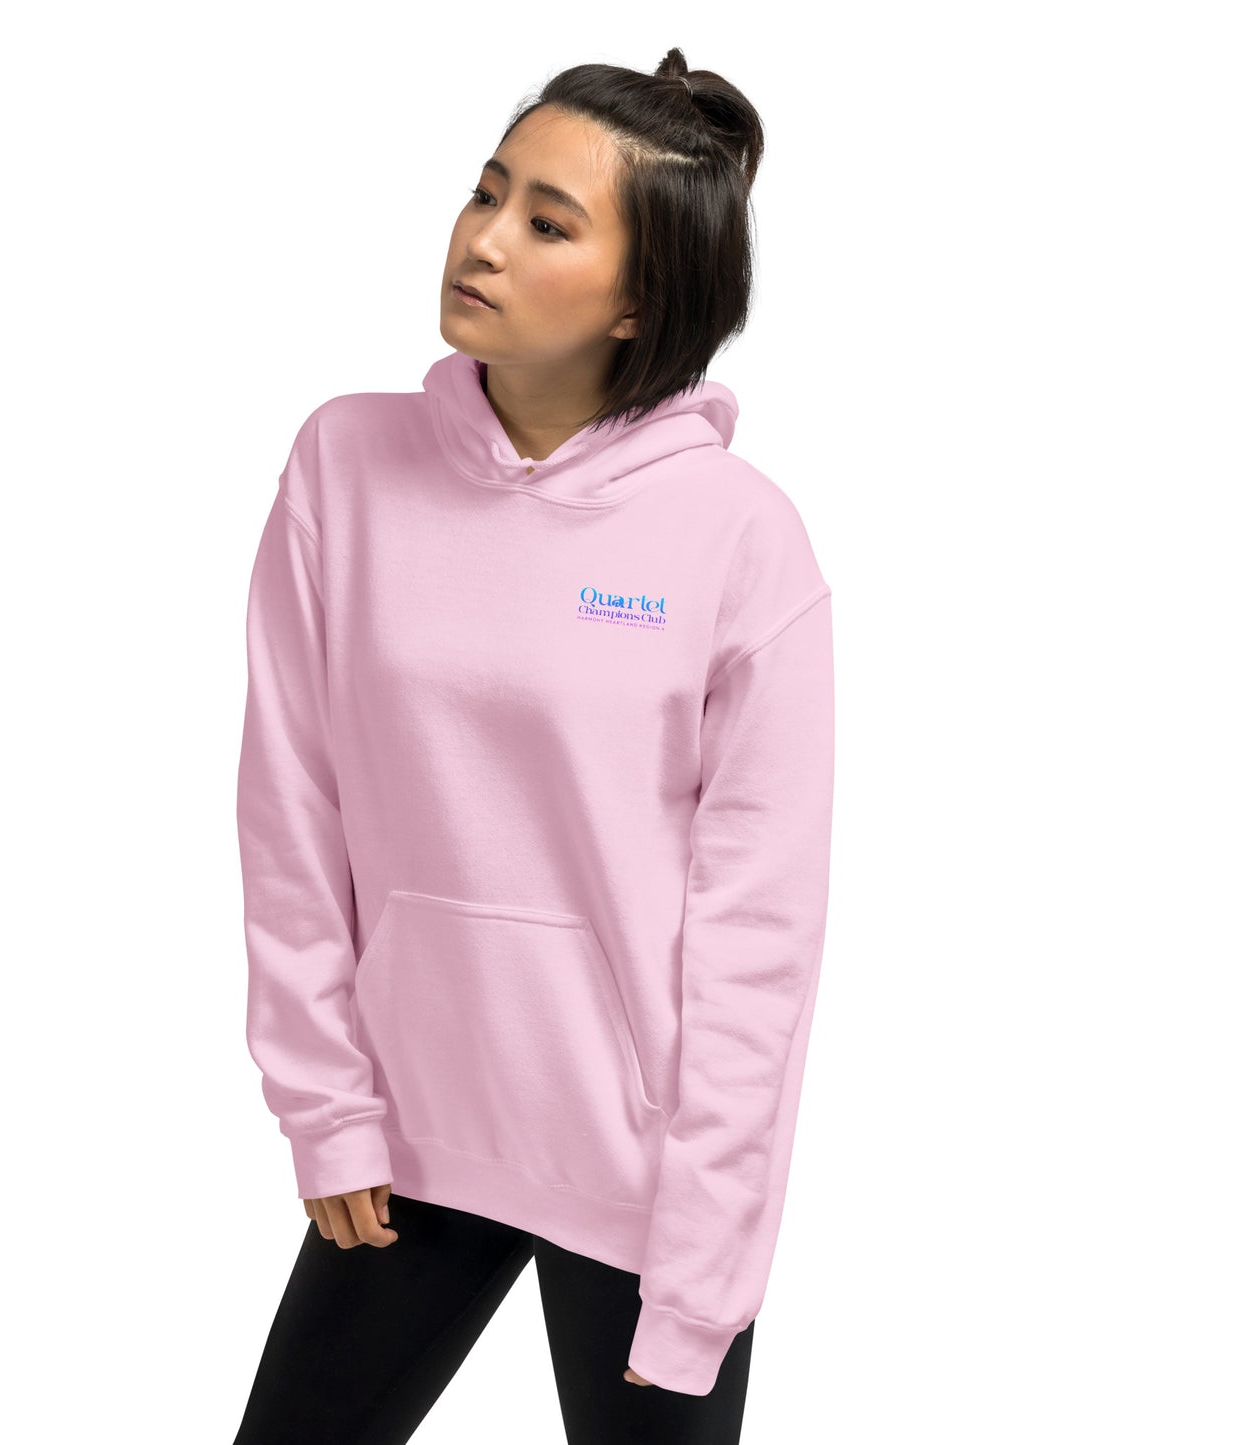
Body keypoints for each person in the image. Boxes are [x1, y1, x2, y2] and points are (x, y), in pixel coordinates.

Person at [231, 46, 835, 1445]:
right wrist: (326, 1105)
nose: (484, 240)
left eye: (549, 222)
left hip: (644, 1188)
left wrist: (703, 1271)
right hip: (405, 1140)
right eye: (486, 192)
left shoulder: (740, 540)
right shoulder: (343, 464)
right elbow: (291, 807)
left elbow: (758, 940)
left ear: (640, 302)